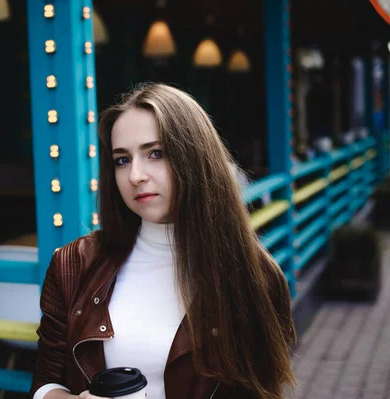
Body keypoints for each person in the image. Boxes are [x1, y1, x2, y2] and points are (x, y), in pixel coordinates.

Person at [30, 83, 296, 399]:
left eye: (155, 153)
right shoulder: (74, 265)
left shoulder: (256, 277)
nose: (135, 175)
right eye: (122, 160)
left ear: (195, 157)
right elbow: (45, 381)